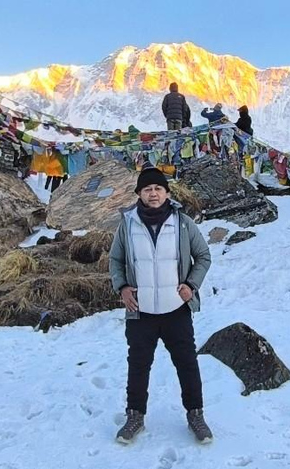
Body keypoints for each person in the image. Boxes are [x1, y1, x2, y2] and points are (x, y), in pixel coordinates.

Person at [109, 167, 213, 445]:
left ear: (167, 192)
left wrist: (191, 285)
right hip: (140, 311)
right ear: (139, 194)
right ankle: (135, 417)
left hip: (176, 310)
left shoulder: (182, 222)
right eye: (147, 189)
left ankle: (196, 415)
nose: (153, 193)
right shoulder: (128, 223)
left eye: (158, 188)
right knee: (138, 365)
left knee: (187, 364)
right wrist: (121, 287)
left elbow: (203, 255)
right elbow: (115, 261)